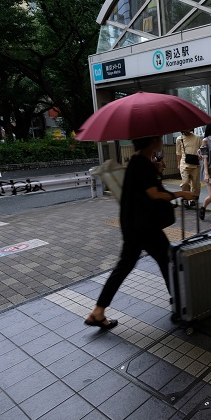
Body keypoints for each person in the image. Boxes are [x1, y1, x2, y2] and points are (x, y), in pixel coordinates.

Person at [85, 137, 194, 329]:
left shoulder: (139, 161)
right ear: (151, 141)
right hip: (145, 226)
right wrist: (181, 194)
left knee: (126, 266)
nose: (161, 139)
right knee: (167, 260)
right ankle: (180, 306)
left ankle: (98, 311)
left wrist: (155, 171)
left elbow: (144, 189)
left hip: (133, 225)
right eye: (158, 137)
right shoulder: (142, 164)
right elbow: (153, 194)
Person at [175, 129, 202, 209]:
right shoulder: (179, 139)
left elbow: (201, 149)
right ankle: (186, 198)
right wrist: (179, 164)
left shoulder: (197, 138)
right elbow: (178, 153)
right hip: (184, 164)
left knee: (196, 184)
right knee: (185, 182)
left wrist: (200, 155)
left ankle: (194, 199)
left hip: (195, 164)